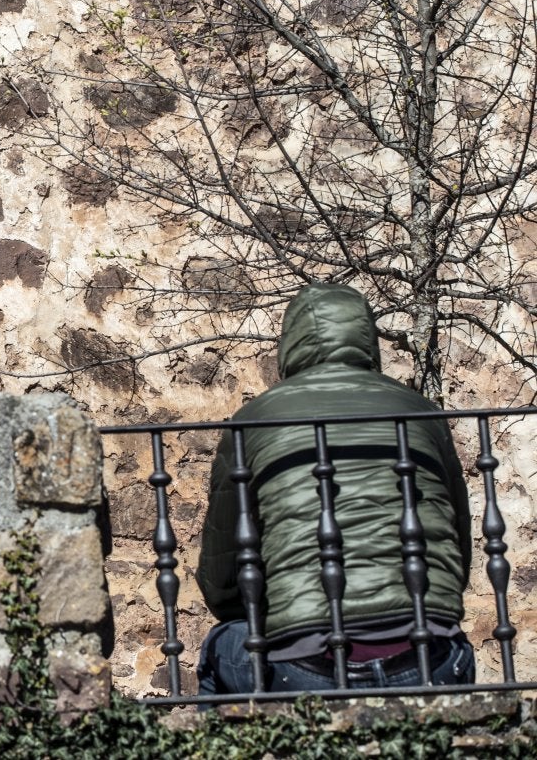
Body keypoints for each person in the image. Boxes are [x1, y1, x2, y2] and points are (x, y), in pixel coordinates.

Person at [195, 283, 474, 694]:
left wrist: (277, 613)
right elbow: (458, 550)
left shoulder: (253, 421)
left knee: (219, 648)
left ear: (290, 343)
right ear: (367, 337)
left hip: (307, 665)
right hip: (432, 657)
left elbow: (222, 579)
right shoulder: (420, 412)